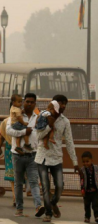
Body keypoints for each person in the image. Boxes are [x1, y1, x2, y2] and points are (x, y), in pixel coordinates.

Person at [35, 94, 80, 222]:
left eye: (65, 103)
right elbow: (38, 136)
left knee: (60, 185)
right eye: (60, 103)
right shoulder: (43, 116)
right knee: (45, 186)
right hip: (42, 156)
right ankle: (48, 213)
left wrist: (75, 161)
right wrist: (50, 125)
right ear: (54, 103)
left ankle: (53, 202)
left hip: (56, 157)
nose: (63, 106)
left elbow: (69, 142)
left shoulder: (65, 121)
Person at [6, 93, 44, 217]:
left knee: (33, 181)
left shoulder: (38, 117)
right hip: (17, 154)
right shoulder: (16, 114)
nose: (29, 104)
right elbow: (9, 130)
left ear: (35, 104)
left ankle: (38, 206)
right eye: (27, 101)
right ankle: (19, 208)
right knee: (18, 183)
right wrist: (24, 131)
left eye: (32, 102)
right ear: (23, 102)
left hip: (33, 154)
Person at [0, 116, 16, 207]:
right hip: (10, 150)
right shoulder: (6, 122)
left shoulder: (27, 120)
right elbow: (1, 137)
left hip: (24, 151)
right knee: (13, 176)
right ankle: (15, 197)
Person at [80, 151, 98, 223]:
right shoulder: (82, 170)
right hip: (86, 191)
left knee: (95, 204)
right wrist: (82, 190)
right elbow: (81, 180)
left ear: (91, 160)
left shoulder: (96, 168)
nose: (85, 163)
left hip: (95, 191)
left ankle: (97, 216)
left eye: (87, 161)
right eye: (84, 162)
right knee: (87, 205)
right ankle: (87, 217)